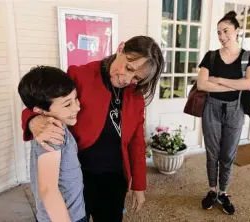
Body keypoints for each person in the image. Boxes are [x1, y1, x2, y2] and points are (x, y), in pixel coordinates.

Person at [21, 36, 164, 222]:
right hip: (80, 174)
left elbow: (137, 141)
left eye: (137, 78)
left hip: (114, 177)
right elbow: (44, 100)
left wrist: (139, 185)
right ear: (120, 48)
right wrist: (33, 120)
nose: (127, 79)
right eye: (128, 68)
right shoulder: (80, 75)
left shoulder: (135, 95)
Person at [197, 11, 250, 215]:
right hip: (211, 109)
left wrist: (219, 80)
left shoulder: (248, 56)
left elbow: (249, 84)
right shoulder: (211, 56)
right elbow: (202, 84)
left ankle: (223, 192)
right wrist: (234, 86)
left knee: (227, 155)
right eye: (218, 33)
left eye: (226, 31)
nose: (222, 36)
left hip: (235, 110)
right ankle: (212, 190)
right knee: (212, 153)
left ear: (237, 31)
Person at [18, 66, 86, 222]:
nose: (77, 106)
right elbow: (49, 190)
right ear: (40, 111)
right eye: (67, 104)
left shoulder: (58, 127)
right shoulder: (52, 134)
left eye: (75, 98)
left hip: (72, 212)